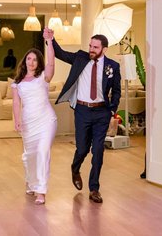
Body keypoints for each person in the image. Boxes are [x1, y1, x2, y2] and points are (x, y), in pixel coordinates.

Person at [44, 29, 121, 203]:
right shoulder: (81, 58)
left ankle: (94, 188)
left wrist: (111, 110)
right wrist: (51, 39)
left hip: (102, 112)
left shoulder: (112, 67)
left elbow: (116, 91)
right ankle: (75, 167)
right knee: (83, 148)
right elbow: (61, 54)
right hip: (82, 111)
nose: (91, 49)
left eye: (95, 47)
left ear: (104, 49)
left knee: (98, 150)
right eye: (90, 46)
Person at [11, 30, 57, 205]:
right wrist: (17, 120)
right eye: (29, 59)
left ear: (39, 63)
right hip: (28, 122)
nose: (31, 62)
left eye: (35, 59)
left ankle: (41, 191)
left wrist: (49, 41)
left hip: (46, 120)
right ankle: (31, 182)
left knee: (43, 151)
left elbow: (51, 63)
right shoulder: (17, 83)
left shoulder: (43, 78)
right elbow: (16, 103)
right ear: (25, 61)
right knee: (30, 155)